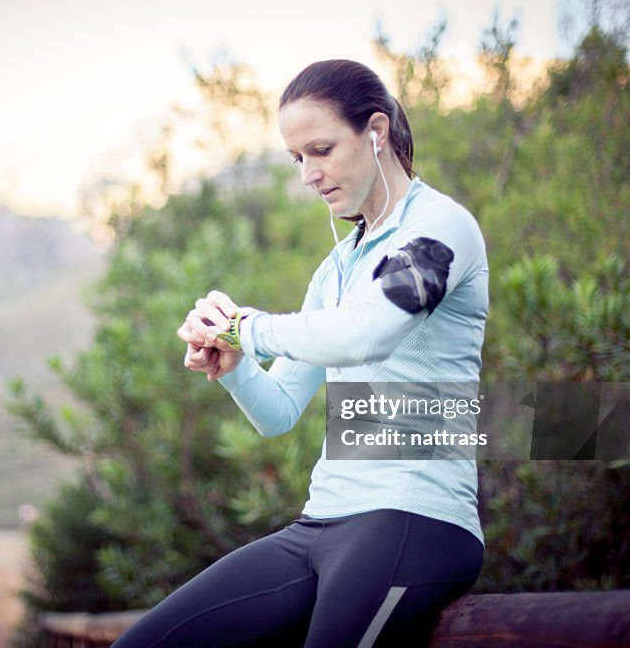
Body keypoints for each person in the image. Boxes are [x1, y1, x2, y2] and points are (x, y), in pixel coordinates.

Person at [112, 59, 488, 648]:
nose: (309, 174)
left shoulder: (440, 229)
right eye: (298, 159)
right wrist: (236, 369)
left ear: (377, 130)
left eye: (321, 149)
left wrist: (246, 327)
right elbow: (281, 410)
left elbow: (364, 334)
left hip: (415, 522)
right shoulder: (336, 267)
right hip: (321, 526)